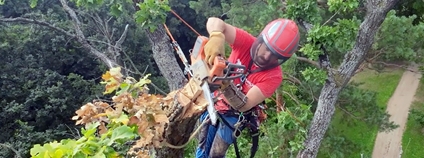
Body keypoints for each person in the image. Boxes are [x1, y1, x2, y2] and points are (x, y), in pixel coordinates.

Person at [195, 17, 300, 158]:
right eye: (267, 49)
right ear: (261, 41)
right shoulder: (246, 43)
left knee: (216, 154)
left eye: (275, 55)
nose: (268, 55)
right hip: (215, 101)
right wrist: (216, 36)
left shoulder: (273, 76)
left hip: (235, 115)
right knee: (203, 145)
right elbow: (214, 22)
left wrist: (225, 83)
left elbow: (244, 105)